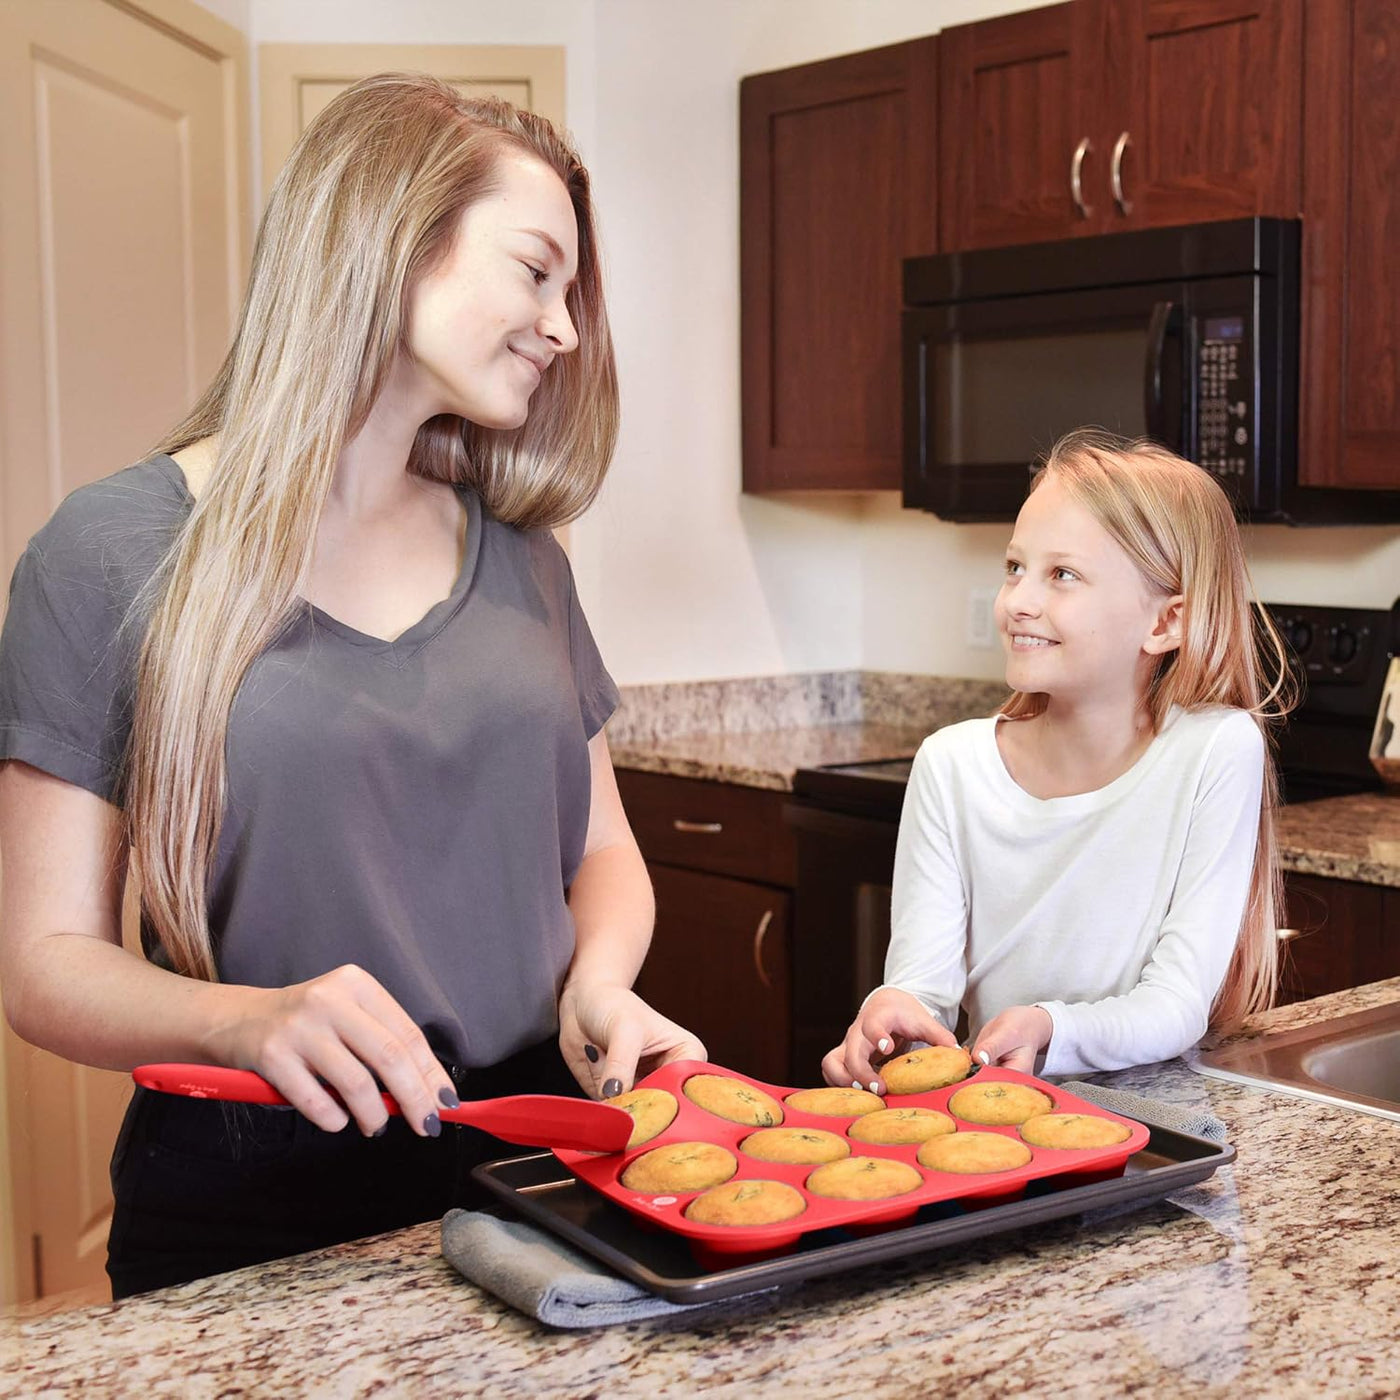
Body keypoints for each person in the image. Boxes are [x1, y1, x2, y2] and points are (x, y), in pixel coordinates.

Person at [0, 74, 703, 1297]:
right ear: (393, 242)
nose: (564, 327)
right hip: (249, 1192)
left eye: (571, 293)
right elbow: (45, 961)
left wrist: (600, 983)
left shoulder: (525, 555)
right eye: (536, 272)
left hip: (534, 1164)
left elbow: (602, 852)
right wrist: (246, 1019)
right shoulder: (110, 551)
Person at [824, 429, 1289, 1091]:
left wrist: (1052, 1029)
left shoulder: (1215, 749)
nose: (1018, 600)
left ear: (1166, 623)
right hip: (996, 1133)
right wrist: (889, 1014)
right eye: (1015, 567)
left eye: (1061, 575)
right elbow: (921, 993)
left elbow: (1177, 1003)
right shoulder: (950, 765)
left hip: (1160, 1127)